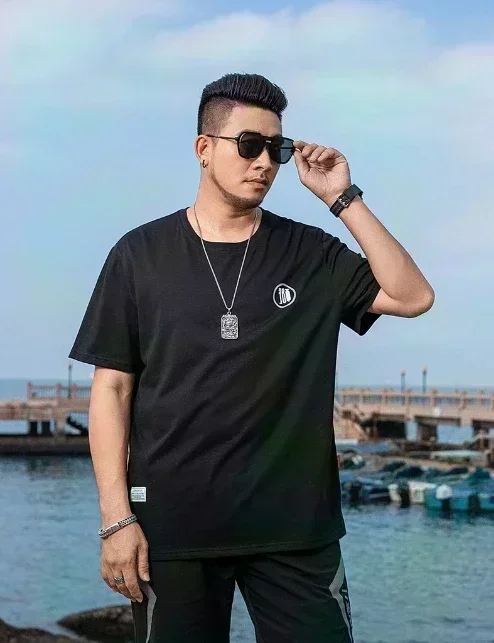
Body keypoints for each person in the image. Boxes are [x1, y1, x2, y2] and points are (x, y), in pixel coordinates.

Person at [69, 72, 434, 642]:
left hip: (296, 529)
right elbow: (112, 389)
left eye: (277, 148)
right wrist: (116, 519)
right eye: (249, 145)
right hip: (173, 529)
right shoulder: (139, 255)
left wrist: (342, 198)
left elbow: (413, 297)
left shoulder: (310, 253)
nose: (264, 162)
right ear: (203, 148)